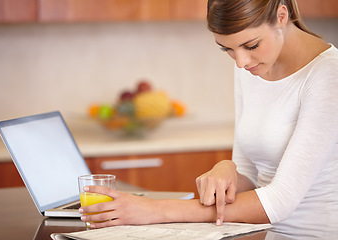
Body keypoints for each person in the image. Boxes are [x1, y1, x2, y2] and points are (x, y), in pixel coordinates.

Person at [79, 0, 338, 237]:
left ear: (282, 16)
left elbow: (280, 201)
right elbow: (249, 172)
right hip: (262, 235)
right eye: (227, 49)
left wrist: (154, 210)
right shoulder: (252, 65)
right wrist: (226, 168)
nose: (240, 62)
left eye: (251, 45)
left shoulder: (328, 74)